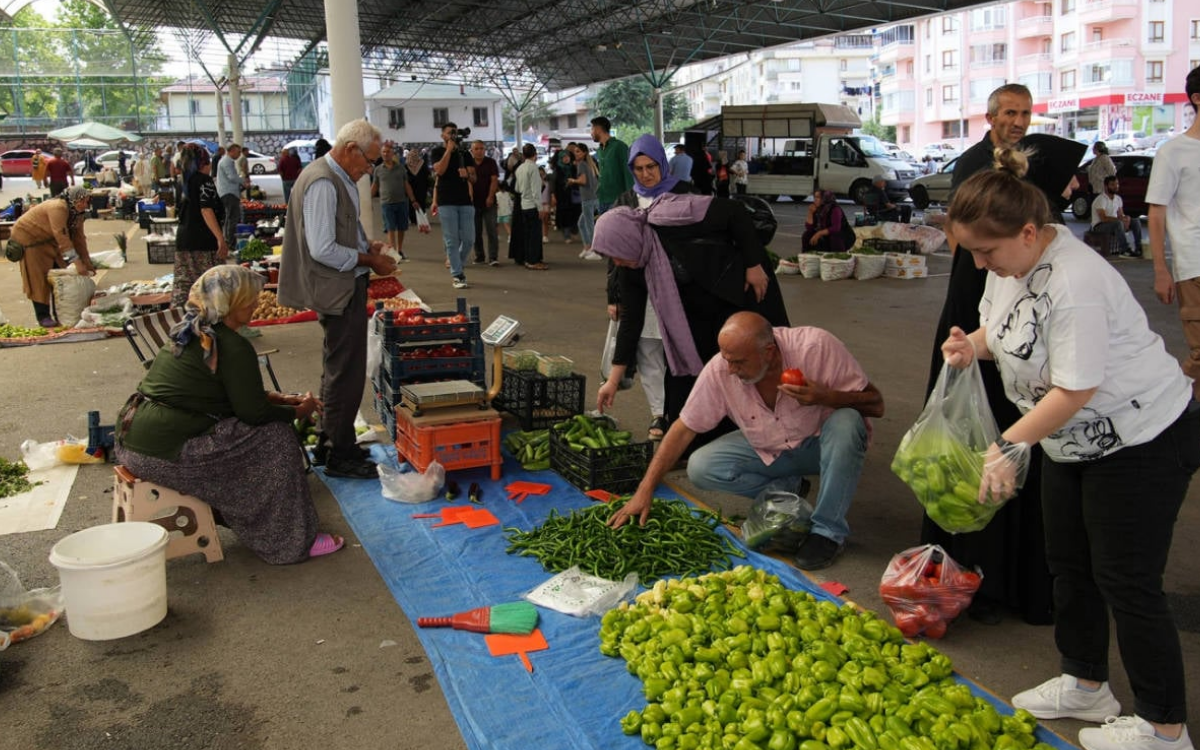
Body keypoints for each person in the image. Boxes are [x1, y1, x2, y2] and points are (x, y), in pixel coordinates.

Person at [940, 146, 1198, 750]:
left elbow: (1077, 386)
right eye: (971, 250)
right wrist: (969, 346)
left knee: (1127, 581)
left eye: (987, 251)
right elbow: (1004, 329)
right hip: (1069, 445)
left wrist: (1006, 445)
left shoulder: (1077, 280)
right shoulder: (1012, 267)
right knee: (1071, 567)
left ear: (1030, 233)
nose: (979, 263)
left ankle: (1165, 725)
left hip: (1141, 441)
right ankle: (1086, 683)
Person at [921, 82, 1056, 627]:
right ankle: (967, 567)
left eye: (1025, 112)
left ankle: (1016, 579)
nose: (1019, 121)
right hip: (972, 306)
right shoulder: (971, 167)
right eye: (1010, 112)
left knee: (1016, 431)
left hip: (1019, 307)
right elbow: (963, 245)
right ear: (990, 115)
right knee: (968, 433)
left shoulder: (1052, 268)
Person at [608, 311, 883, 569]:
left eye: (738, 362)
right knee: (702, 466)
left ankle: (827, 531)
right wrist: (645, 491)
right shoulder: (720, 369)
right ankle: (790, 488)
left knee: (847, 421)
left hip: (821, 446)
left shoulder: (815, 348)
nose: (730, 369)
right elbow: (683, 428)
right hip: (770, 447)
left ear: (769, 352)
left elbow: (876, 404)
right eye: (727, 359)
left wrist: (827, 397)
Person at [114, 265, 342, 564]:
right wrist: (299, 410)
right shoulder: (232, 345)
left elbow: (223, 393)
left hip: (132, 440)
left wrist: (282, 399)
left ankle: (266, 523)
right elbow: (253, 413)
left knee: (257, 432)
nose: (254, 303)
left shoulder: (192, 331)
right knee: (276, 438)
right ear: (230, 303)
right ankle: (290, 540)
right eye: (248, 298)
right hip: (162, 452)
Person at [593, 134, 789, 442]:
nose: (617, 262)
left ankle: (778, 430)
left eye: (651, 166)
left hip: (738, 292)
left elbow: (735, 213)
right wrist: (613, 380)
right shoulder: (632, 258)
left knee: (747, 362)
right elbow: (631, 322)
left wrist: (754, 264)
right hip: (693, 309)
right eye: (638, 168)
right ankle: (696, 442)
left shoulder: (677, 210)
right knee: (686, 371)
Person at [277, 119, 398, 479]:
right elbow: (323, 248)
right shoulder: (322, 181)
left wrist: (367, 246)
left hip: (340, 285)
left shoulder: (335, 178)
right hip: (337, 288)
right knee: (346, 372)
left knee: (338, 367)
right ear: (350, 150)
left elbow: (340, 231)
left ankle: (329, 440)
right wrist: (369, 260)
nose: (369, 169)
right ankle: (340, 453)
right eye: (369, 161)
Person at [1147, 65, 1200, 399]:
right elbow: (1156, 212)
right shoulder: (1173, 151)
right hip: (1194, 266)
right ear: (1197, 98)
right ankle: (1172, 409)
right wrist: (1160, 269)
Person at [5, 186, 94, 327]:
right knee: (38, 279)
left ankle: (60, 313)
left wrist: (87, 263)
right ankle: (43, 317)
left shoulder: (77, 213)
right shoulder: (58, 208)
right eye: (80, 201)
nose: (83, 204)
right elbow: (61, 236)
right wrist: (77, 262)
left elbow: (79, 239)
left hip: (49, 240)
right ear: (72, 200)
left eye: (86, 201)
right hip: (30, 240)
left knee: (61, 275)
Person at [172, 145, 228, 308]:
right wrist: (220, 239)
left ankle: (179, 323)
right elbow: (206, 209)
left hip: (184, 240)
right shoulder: (204, 181)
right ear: (204, 163)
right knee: (211, 286)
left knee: (184, 286)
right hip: (204, 241)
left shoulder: (182, 181)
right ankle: (212, 324)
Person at [430, 122, 476, 289]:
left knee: (470, 239)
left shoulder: (465, 153)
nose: (453, 135)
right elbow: (439, 171)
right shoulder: (437, 152)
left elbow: (474, 178)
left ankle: (457, 263)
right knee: (452, 240)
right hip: (446, 200)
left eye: (455, 133)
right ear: (443, 135)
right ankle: (457, 274)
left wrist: (468, 175)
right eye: (450, 133)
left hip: (465, 200)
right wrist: (449, 150)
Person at [371, 141, 417, 262]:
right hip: (386, 203)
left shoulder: (400, 168)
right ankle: (393, 252)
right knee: (390, 228)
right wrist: (367, 201)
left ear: (393, 154)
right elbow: (375, 186)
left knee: (401, 227)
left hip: (401, 202)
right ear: (381, 154)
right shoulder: (378, 170)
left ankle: (399, 250)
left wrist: (413, 200)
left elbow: (406, 184)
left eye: (388, 152)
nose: (386, 154)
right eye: (384, 152)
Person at [1090, 175, 1142, 257]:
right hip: (1099, 226)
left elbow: (1120, 215)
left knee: (1135, 221)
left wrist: (1126, 219)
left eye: (1117, 184)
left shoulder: (1118, 199)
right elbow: (1103, 218)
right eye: (1113, 184)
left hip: (1114, 223)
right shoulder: (1100, 199)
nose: (1116, 186)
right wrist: (1120, 220)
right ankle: (1124, 250)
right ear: (1106, 186)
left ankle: (1139, 248)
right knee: (1118, 223)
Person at [513, 144, 546, 270]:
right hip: (533, 206)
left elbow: (517, 188)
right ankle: (533, 261)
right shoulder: (533, 168)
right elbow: (536, 191)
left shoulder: (520, 168)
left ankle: (527, 259)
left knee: (527, 235)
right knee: (535, 235)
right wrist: (540, 208)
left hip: (523, 205)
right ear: (535, 154)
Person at [591, 116, 634, 214]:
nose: (591, 133)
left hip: (617, 200)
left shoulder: (620, 147)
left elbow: (628, 174)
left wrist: (631, 200)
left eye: (592, 129)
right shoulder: (600, 150)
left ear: (598, 129)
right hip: (602, 199)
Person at [567, 142, 601, 260]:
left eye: (578, 151)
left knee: (588, 224)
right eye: (575, 151)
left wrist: (572, 180)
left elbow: (583, 181)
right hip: (594, 197)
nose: (575, 154)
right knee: (582, 223)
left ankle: (595, 250)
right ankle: (587, 247)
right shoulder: (590, 164)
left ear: (584, 152)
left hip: (587, 198)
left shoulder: (581, 165)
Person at [470, 140, 500, 266]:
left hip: (489, 202)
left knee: (492, 230)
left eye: (482, 148)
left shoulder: (491, 162)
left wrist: (490, 196)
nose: (479, 151)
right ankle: (480, 256)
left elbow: (494, 180)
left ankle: (493, 257)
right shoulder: (468, 164)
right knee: (476, 231)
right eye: (476, 149)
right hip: (473, 203)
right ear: (472, 151)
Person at [217, 143, 244, 250]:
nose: (239, 154)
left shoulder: (225, 161)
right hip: (229, 193)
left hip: (227, 192)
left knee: (230, 218)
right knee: (232, 218)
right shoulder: (227, 162)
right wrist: (243, 181)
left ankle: (229, 241)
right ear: (231, 151)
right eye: (238, 152)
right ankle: (229, 242)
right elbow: (232, 177)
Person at [552, 147, 580, 244]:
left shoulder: (573, 168)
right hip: (562, 196)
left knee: (575, 214)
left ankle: (573, 231)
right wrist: (553, 196)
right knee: (564, 216)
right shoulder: (557, 169)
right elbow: (554, 184)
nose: (566, 159)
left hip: (573, 196)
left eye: (567, 157)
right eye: (564, 157)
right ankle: (566, 235)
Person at [405, 148, 432, 225]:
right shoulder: (422, 164)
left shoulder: (406, 165)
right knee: (419, 202)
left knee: (413, 202)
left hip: (414, 187)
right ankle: (419, 217)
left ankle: (414, 218)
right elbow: (427, 174)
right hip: (421, 187)